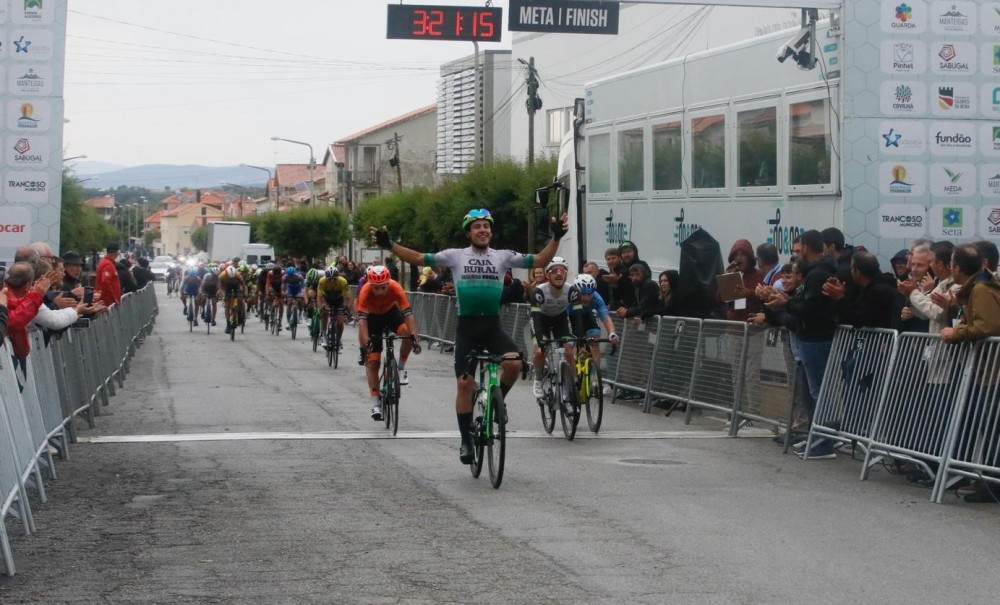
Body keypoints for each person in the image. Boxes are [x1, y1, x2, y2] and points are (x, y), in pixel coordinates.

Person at [370, 208, 568, 464]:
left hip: (492, 325)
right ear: (468, 233)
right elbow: (419, 258)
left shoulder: (503, 256)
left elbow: (541, 260)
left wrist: (556, 238)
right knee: (464, 384)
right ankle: (465, 440)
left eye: (486, 226)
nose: (483, 230)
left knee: (514, 363)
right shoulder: (455, 256)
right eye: (477, 227)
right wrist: (390, 245)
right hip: (467, 328)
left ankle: (498, 402)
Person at [940, 245, 1000, 502]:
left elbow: (988, 325)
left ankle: (991, 483)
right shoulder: (977, 288)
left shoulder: (982, 289)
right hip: (985, 368)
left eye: (952, 263)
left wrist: (957, 333)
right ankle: (987, 481)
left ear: (956, 268)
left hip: (991, 370)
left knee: (990, 426)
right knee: (987, 426)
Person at [356, 265, 420, 420]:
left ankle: (400, 367)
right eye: (376, 288)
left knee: (407, 333)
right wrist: (366, 343)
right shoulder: (365, 290)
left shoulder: (396, 287)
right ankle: (376, 404)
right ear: (370, 284)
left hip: (391, 313)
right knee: (373, 362)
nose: (379, 292)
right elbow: (362, 323)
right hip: (372, 318)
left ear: (388, 283)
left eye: (383, 288)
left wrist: (414, 337)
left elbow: (408, 315)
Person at [528, 257, 587, 416]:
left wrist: (580, 339)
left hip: (561, 319)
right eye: (555, 271)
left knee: (569, 350)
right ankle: (539, 379)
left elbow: (578, 316)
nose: (559, 274)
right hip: (541, 320)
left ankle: (572, 384)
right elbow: (536, 318)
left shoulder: (573, 291)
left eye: (563, 271)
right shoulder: (539, 291)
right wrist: (540, 341)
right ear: (548, 275)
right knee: (541, 350)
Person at [572, 273, 620, 380]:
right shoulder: (569, 297)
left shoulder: (597, 298)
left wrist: (612, 333)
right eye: (583, 294)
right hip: (572, 317)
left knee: (595, 338)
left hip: (588, 316)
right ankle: (571, 373)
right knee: (569, 343)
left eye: (590, 294)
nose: (587, 298)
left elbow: (605, 317)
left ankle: (594, 378)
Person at [2, 263, 48, 369]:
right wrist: (35, 296)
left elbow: (12, 305)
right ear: (27, 285)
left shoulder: (7, 294)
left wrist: (34, 295)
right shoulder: (6, 293)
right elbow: (11, 322)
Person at [317, 267, 351, 349]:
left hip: (338, 300)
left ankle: (338, 339)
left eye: (334, 279)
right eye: (329, 279)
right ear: (326, 278)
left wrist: (347, 309)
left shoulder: (342, 281)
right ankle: (324, 334)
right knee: (324, 311)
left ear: (338, 277)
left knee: (340, 321)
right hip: (327, 299)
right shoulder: (322, 281)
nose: (332, 281)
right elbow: (319, 297)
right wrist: (320, 308)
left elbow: (349, 298)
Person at [219, 265, 247, 334]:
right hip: (227, 287)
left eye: (232, 278)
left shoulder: (238, 275)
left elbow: (244, 286)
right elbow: (220, 287)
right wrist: (222, 294)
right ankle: (228, 323)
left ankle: (241, 314)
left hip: (236, 287)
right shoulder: (222, 275)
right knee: (227, 305)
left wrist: (245, 293)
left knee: (240, 299)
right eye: (229, 278)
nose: (231, 279)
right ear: (226, 274)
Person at [95, 242, 122, 307]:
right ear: (116, 252)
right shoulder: (108, 265)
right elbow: (105, 281)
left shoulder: (106, 262)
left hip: (106, 302)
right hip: (107, 303)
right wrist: (114, 297)